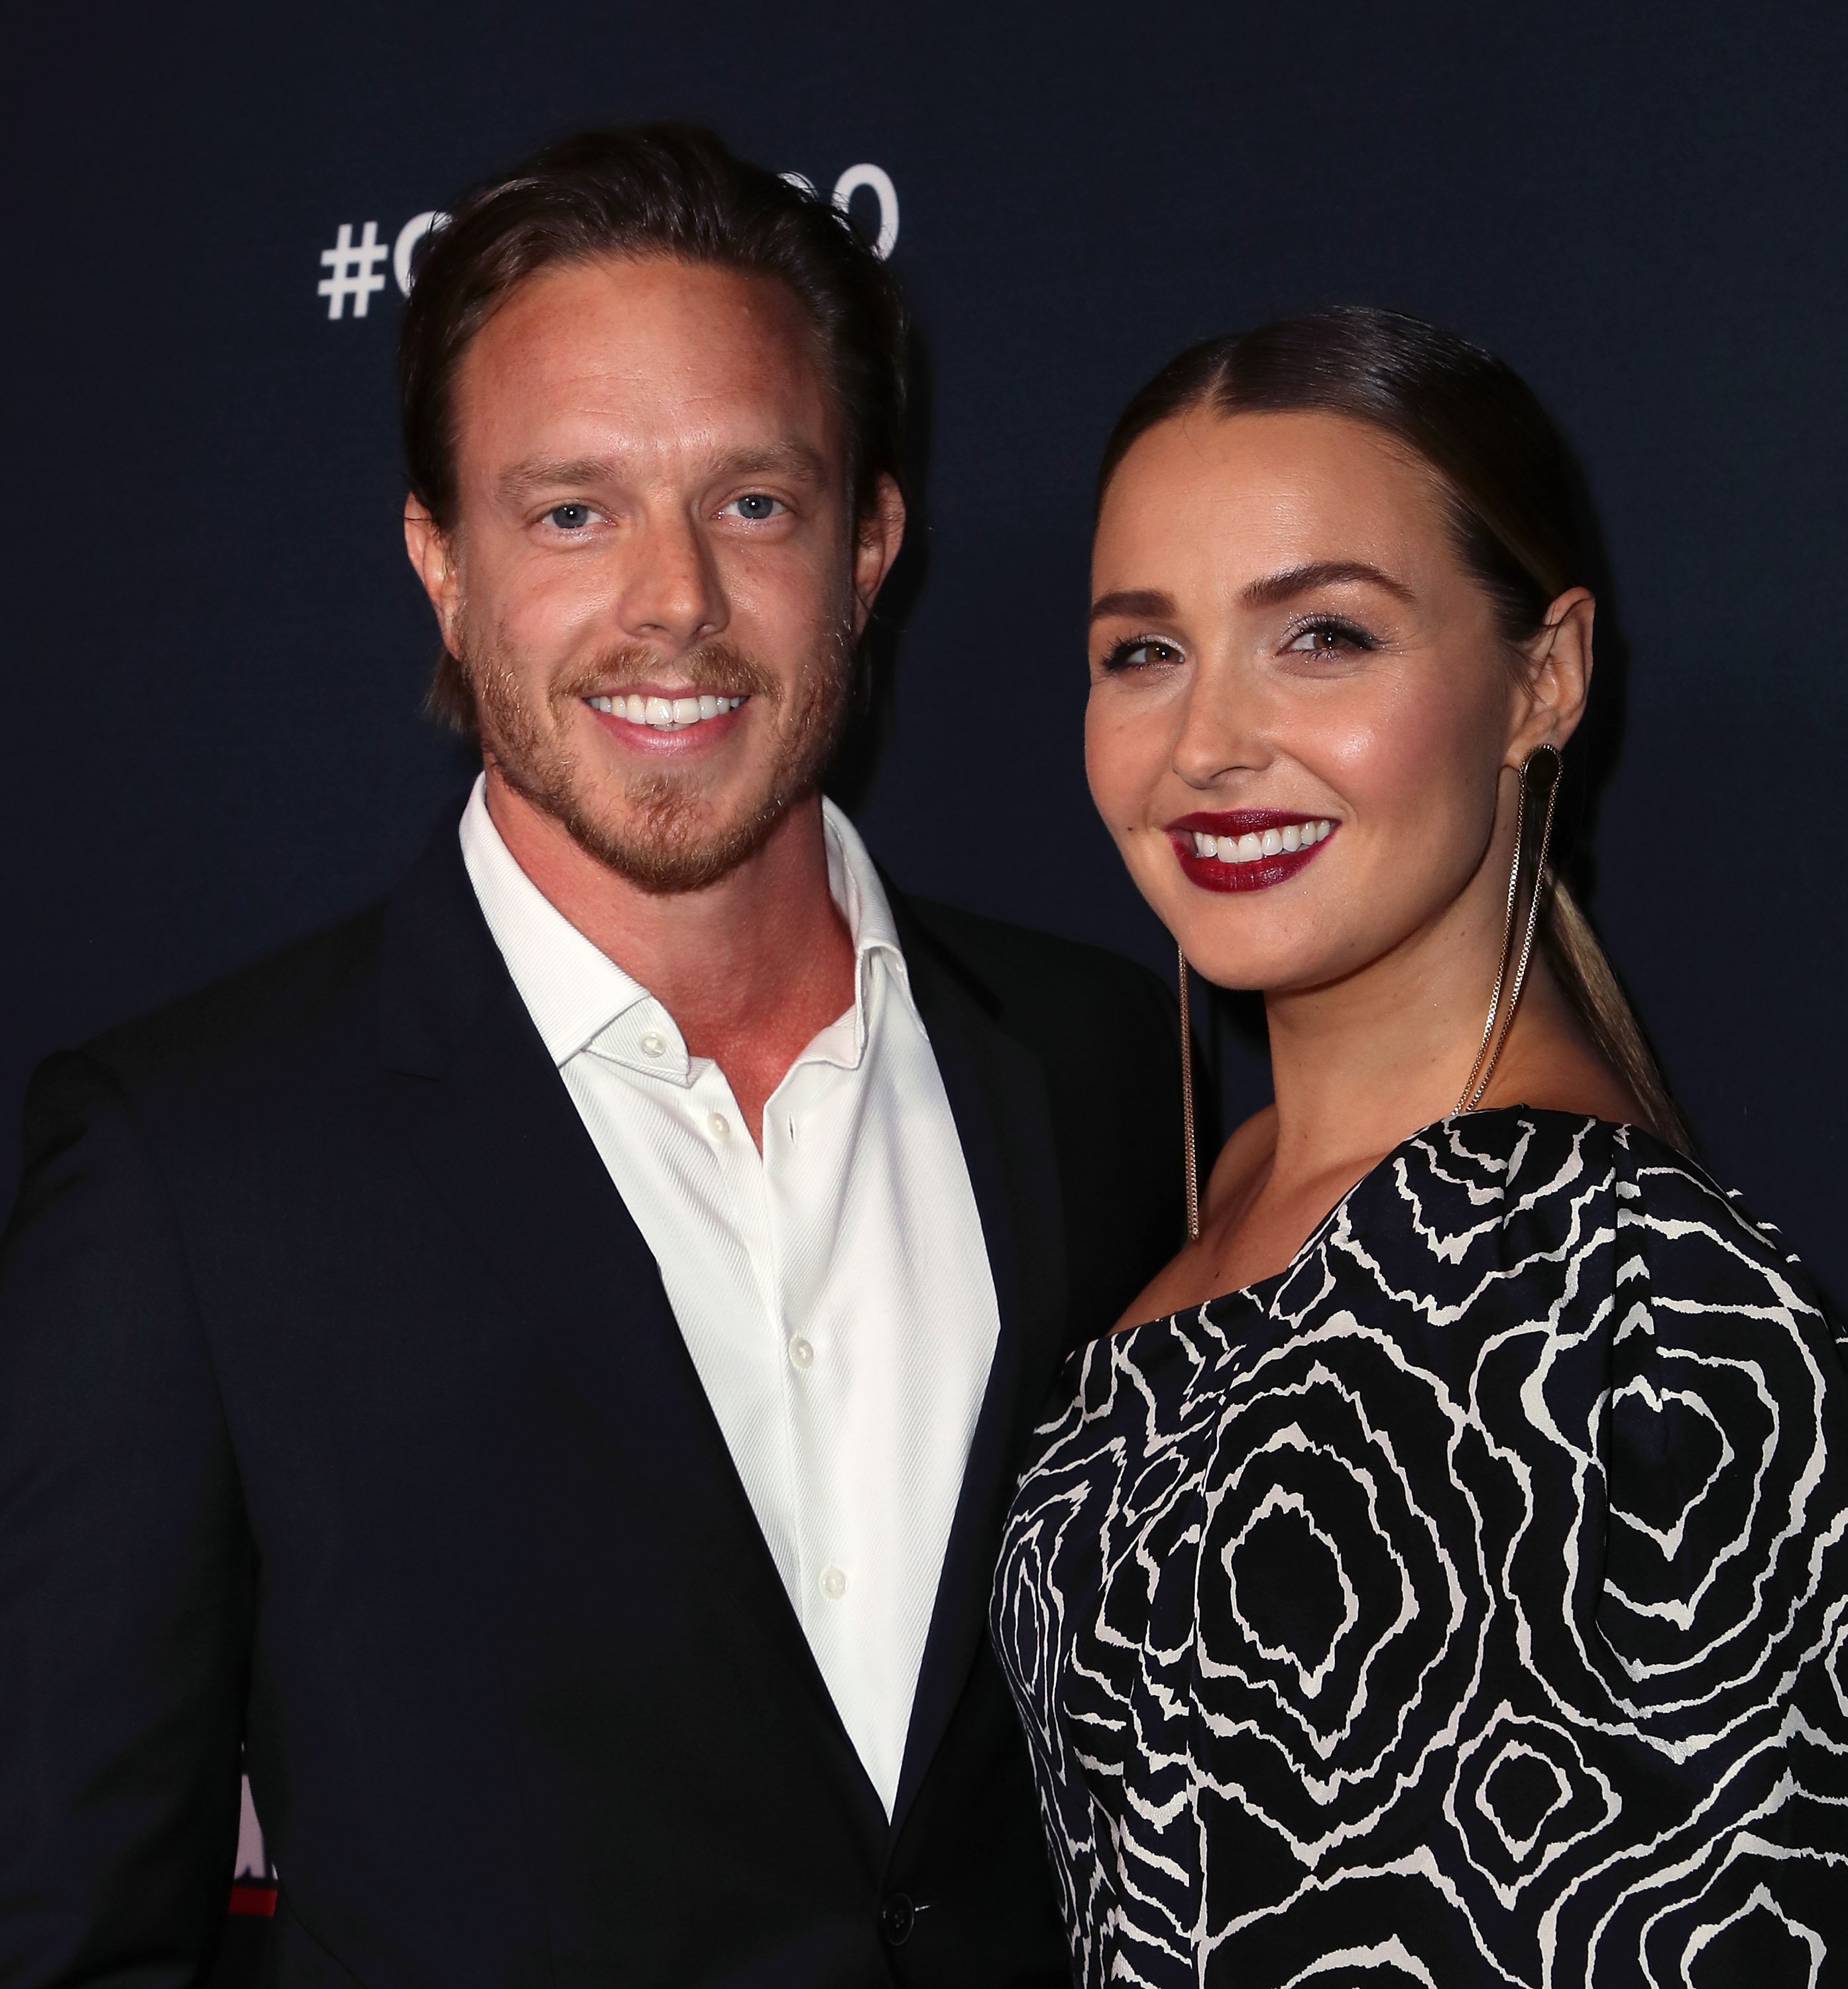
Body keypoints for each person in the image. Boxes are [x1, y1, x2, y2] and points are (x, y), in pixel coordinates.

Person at [0, 127, 1185, 1988]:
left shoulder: (1105, 1060)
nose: (673, 605)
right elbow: (73, 1932)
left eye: (753, 505)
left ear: (870, 542)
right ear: (440, 565)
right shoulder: (187, 1170)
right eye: (570, 512)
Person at [990, 306, 1848, 1986]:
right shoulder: (1204, 1192)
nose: (1207, 743)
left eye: (1320, 636)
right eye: (1140, 652)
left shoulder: (1643, 1308)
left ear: (1543, 677)